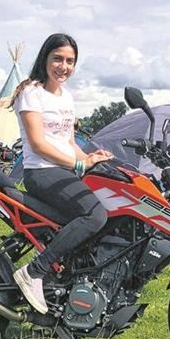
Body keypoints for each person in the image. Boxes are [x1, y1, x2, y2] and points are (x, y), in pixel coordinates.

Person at [9, 33, 113, 314]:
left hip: (63, 170)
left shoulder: (66, 96)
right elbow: (39, 144)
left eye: (70, 61)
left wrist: (91, 158)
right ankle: (34, 271)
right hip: (41, 172)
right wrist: (77, 165)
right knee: (96, 215)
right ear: (45, 58)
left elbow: (68, 142)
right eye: (58, 58)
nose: (63, 66)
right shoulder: (31, 92)